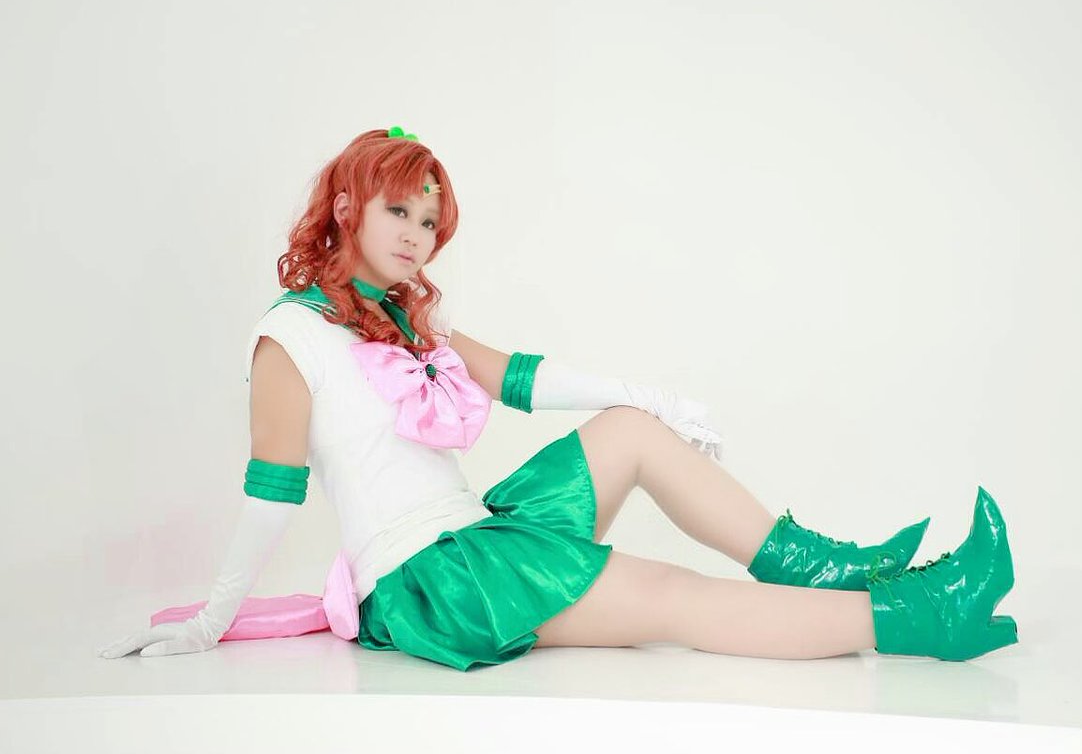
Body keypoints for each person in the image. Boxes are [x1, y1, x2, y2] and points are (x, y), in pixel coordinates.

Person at [98, 125, 1018, 670]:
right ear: (346, 208)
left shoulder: (407, 315)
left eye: (429, 220)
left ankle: (822, 567)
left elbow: (520, 379)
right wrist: (212, 620)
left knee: (631, 431)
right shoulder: (289, 337)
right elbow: (271, 497)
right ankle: (921, 617)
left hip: (480, 532)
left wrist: (647, 396)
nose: (417, 235)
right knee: (670, 597)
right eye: (398, 212)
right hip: (433, 583)